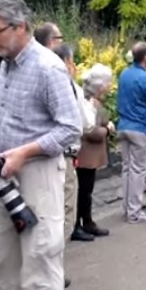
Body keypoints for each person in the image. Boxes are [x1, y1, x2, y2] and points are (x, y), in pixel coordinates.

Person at [0, 0, 81, 290]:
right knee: (4, 264)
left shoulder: (48, 67)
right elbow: (1, 110)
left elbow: (71, 127)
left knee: (40, 265)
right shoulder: (4, 64)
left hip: (39, 176)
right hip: (5, 177)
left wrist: (25, 151)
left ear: (21, 26)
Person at [52, 44, 97, 243]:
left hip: (44, 153)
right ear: (68, 62)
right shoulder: (69, 86)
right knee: (66, 206)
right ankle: (53, 265)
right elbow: (86, 123)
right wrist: (92, 108)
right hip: (66, 151)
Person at [117, 42, 146, 224]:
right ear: (145, 58)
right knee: (138, 170)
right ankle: (134, 212)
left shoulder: (124, 74)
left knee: (127, 168)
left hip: (123, 125)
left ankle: (126, 207)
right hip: (140, 128)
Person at [76, 63, 115, 237]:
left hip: (88, 154)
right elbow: (90, 130)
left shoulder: (92, 101)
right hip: (86, 154)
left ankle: (86, 221)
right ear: (100, 86)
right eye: (108, 83)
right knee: (83, 191)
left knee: (86, 190)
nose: (110, 86)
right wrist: (107, 129)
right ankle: (80, 223)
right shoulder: (89, 103)